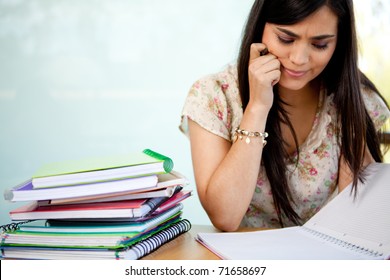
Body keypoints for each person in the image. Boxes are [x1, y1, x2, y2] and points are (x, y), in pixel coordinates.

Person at [179, 0, 390, 231]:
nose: (299, 58)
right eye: (286, 39)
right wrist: (258, 107)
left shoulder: (353, 100)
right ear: (260, 27)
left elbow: (358, 221)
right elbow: (225, 217)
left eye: (320, 44)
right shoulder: (213, 96)